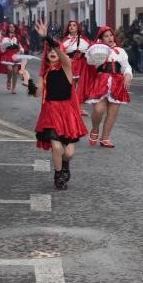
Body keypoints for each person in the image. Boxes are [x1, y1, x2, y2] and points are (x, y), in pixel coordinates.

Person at [29, 19, 88, 190]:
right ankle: (58, 175)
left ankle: (64, 164)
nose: (52, 53)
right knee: (56, 146)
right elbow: (37, 93)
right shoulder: (45, 73)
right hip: (51, 111)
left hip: (68, 113)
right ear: (46, 56)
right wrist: (27, 79)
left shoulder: (67, 67)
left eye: (55, 50)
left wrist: (47, 38)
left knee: (68, 152)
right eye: (48, 52)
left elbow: (59, 51)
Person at [85, 26, 133, 148]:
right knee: (98, 109)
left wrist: (127, 75)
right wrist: (95, 57)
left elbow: (126, 66)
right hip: (101, 82)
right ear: (101, 39)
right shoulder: (97, 50)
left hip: (117, 82)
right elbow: (89, 63)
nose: (110, 38)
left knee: (112, 113)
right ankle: (95, 129)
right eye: (106, 36)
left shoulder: (120, 51)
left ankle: (105, 138)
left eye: (111, 35)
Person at [61, 21, 91, 115]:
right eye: (70, 25)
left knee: (80, 87)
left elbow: (89, 51)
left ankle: (79, 108)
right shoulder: (65, 40)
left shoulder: (84, 39)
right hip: (70, 63)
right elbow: (61, 52)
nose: (71, 27)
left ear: (78, 27)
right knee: (71, 86)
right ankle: (69, 106)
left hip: (82, 64)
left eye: (74, 25)